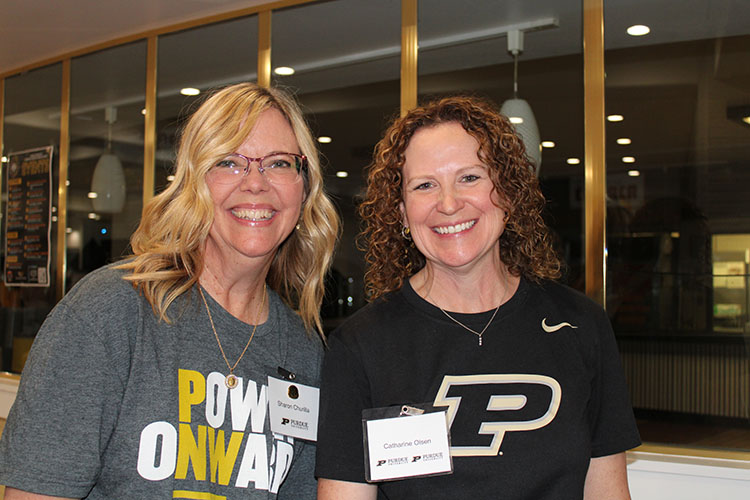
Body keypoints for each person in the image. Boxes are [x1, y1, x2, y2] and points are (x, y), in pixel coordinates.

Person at [0, 83, 339, 499]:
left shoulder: (305, 351)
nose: (256, 183)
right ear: (193, 183)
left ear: (304, 188)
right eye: (229, 162)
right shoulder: (109, 313)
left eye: (279, 163)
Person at [315, 95, 640, 500]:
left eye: (469, 177)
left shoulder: (581, 325)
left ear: (506, 192)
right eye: (425, 185)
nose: (449, 204)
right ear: (401, 212)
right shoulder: (361, 345)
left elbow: (607, 492)